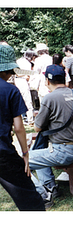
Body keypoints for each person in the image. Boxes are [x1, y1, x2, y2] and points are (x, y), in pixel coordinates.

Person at [29, 64, 73, 208]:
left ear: (47, 81)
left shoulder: (49, 98)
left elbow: (37, 127)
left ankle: (43, 195)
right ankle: (51, 187)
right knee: (39, 153)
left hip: (63, 151)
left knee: (20, 161)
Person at [0, 44, 45, 211]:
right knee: (30, 200)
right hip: (3, 153)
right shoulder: (11, 90)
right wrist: (25, 154)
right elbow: (19, 127)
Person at [15, 49, 38, 125]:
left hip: (17, 81)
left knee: (19, 101)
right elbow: (27, 74)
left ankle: (23, 118)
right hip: (23, 81)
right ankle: (30, 120)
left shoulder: (19, 60)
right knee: (28, 101)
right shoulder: (27, 63)